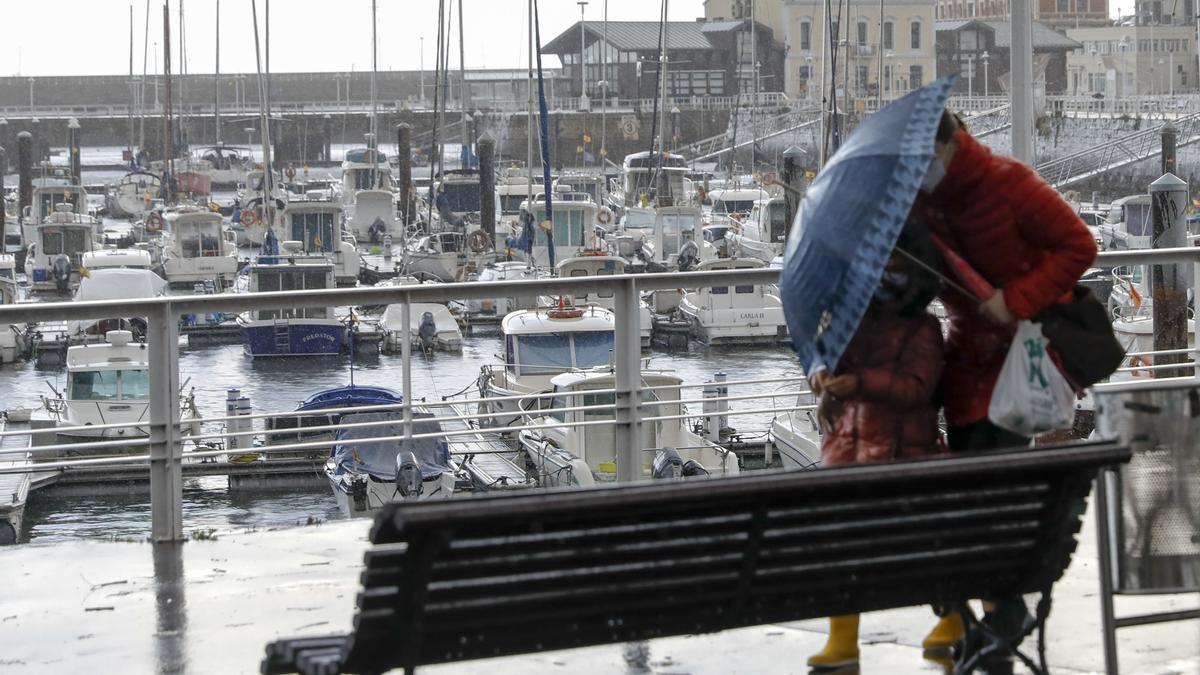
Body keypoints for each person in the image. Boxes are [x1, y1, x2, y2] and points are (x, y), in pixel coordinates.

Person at [914, 111, 1097, 666]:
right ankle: (996, 621)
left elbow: (1078, 246)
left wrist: (1013, 299)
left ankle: (1000, 618)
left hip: (1015, 365)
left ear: (948, 146)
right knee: (977, 504)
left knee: (989, 502)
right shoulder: (926, 206)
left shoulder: (1009, 183)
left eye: (922, 158)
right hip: (966, 369)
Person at [805, 220, 947, 669]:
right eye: (880, 263)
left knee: (911, 547)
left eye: (896, 264)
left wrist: (858, 382)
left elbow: (916, 388)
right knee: (843, 546)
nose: (887, 272)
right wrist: (821, 376)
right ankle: (843, 636)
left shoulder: (922, 330)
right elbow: (825, 359)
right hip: (852, 452)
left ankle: (949, 615)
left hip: (901, 454)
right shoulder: (851, 324)